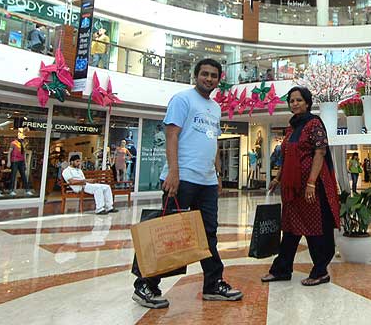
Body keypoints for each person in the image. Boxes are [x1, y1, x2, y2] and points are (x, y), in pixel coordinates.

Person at [132, 58, 243, 310]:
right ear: (196, 76)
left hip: (205, 181)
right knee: (168, 233)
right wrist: (173, 172)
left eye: (214, 75)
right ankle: (145, 285)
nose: (209, 79)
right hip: (182, 178)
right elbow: (172, 135)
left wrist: (216, 174)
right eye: (205, 74)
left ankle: (213, 284)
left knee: (208, 235)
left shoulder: (215, 108)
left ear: (219, 79)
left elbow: (211, 139)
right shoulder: (182, 100)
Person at [262, 86, 340, 287]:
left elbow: (319, 153)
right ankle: (282, 269)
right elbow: (287, 156)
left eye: (299, 100)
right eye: (292, 101)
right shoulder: (291, 128)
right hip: (292, 189)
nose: (295, 104)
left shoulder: (314, 124)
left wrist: (312, 183)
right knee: (289, 229)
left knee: (315, 229)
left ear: (307, 103)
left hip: (311, 188)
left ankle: (320, 271)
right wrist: (277, 179)